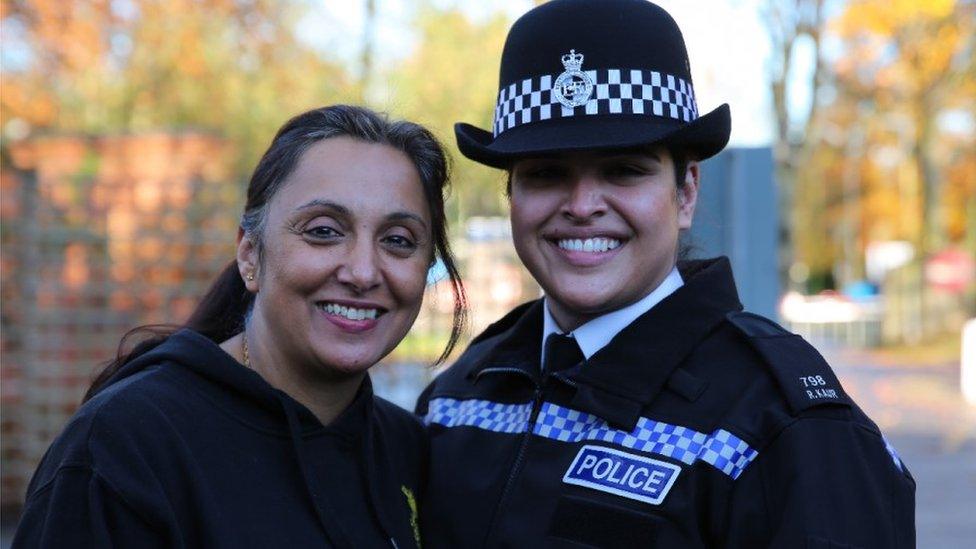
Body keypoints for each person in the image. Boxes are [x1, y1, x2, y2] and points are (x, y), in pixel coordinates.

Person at [415, 1, 915, 547]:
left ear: (686, 193)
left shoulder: (784, 428)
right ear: (512, 196)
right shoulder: (461, 396)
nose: (582, 205)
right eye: (547, 173)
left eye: (624, 170)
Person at [13, 105, 466, 548]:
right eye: (324, 231)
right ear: (250, 255)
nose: (364, 272)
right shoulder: (126, 446)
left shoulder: (405, 448)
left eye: (397, 240)